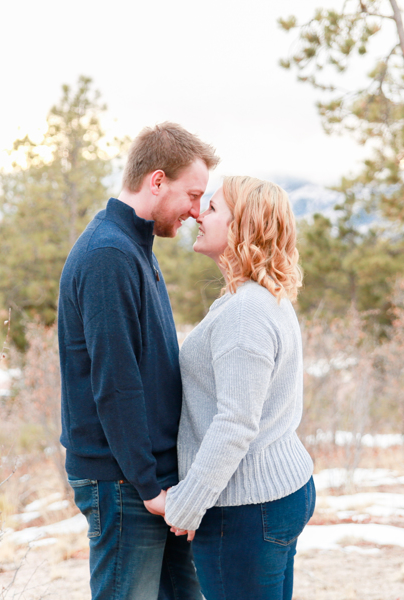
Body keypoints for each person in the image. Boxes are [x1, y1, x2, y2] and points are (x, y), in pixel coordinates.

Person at [57, 122, 219, 600]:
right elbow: (116, 384)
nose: (196, 209)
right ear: (156, 181)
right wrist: (149, 487)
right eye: (192, 194)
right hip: (124, 481)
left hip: (150, 478)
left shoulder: (133, 247)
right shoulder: (109, 254)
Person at [162, 176, 316, 600]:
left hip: (246, 510)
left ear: (242, 227)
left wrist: (187, 505)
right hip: (274, 495)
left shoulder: (245, 313)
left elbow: (235, 424)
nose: (198, 214)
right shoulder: (257, 297)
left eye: (212, 209)